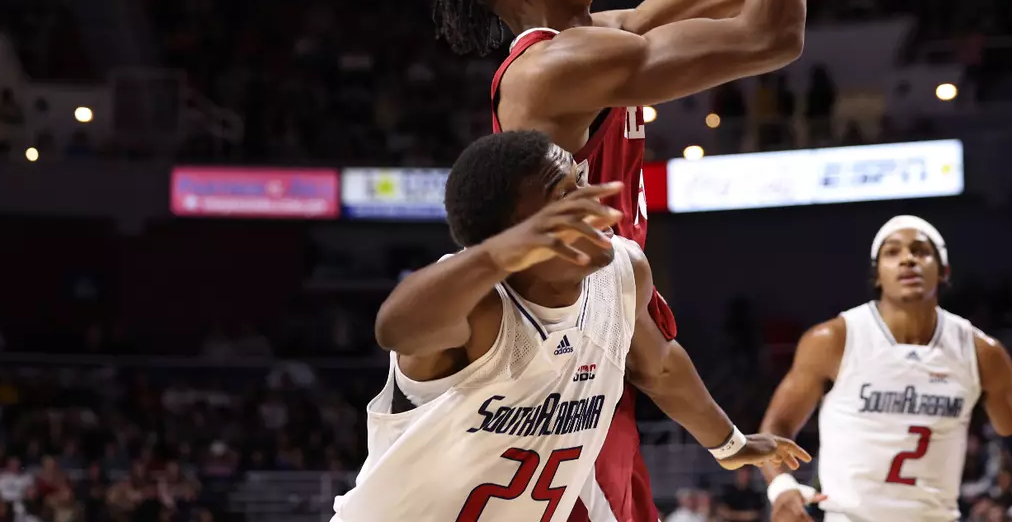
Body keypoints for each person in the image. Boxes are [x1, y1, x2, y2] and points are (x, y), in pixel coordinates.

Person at [429, 0, 860, 522]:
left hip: (593, 344)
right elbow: (773, 33)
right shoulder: (558, 68)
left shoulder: (595, 41)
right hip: (545, 372)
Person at [335, 130, 806, 522]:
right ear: (516, 230)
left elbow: (658, 365)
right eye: (566, 196)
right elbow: (396, 328)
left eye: (582, 181)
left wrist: (729, 444)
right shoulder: (480, 308)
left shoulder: (622, 271)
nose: (592, 201)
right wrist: (497, 255)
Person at [755, 215, 1012, 522]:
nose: (907, 260)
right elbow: (776, 426)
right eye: (892, 252)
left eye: (920, 251)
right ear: (878, 275)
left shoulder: (981, 353)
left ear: (943, 270)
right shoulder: (833, 340)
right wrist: (782, 489)